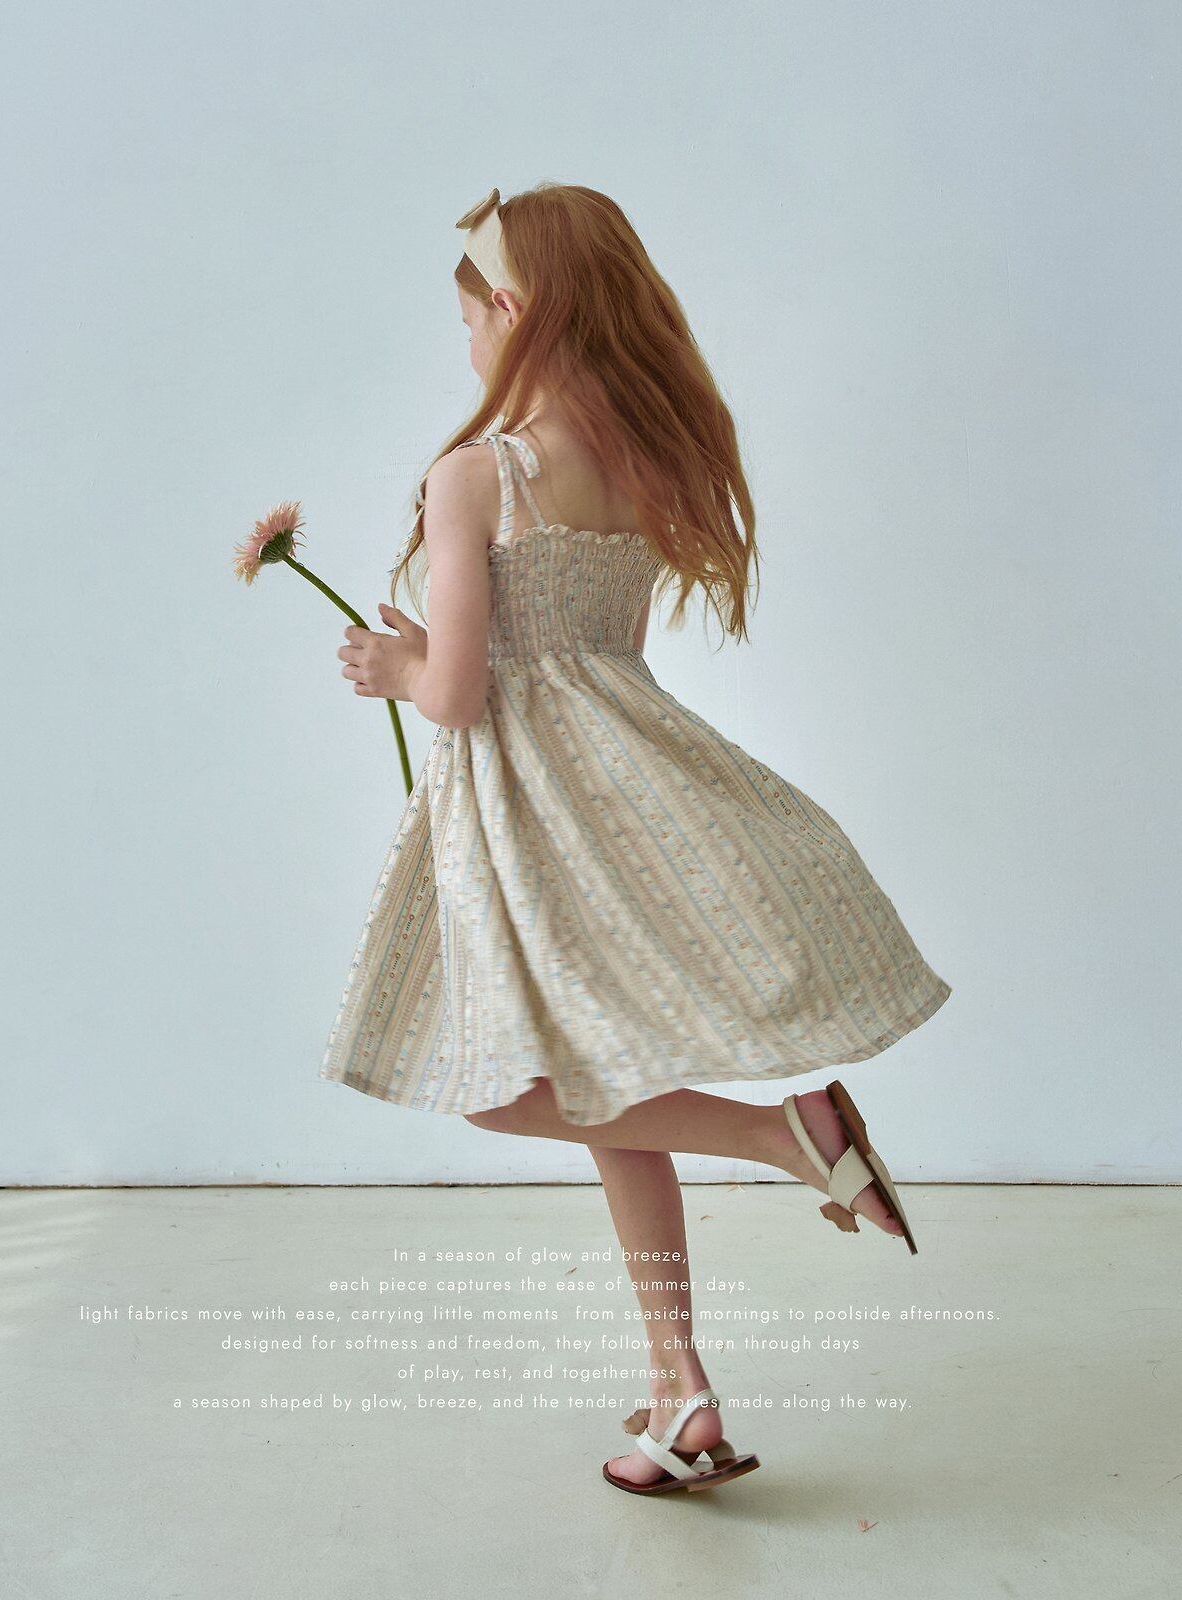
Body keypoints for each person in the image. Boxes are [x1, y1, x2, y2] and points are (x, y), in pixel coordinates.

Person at [320, 183, 952, 1495]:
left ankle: (789, 1143)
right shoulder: (633, 465)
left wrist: (397, 666)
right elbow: (581, 648)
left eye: (471, 320)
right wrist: (448, 654)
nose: (468, 346)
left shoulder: (474, 474)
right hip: (626, 783)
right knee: (610, 1090)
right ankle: (682, 1393)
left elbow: (461, 695)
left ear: (513, 310)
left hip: (533, 813)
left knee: (503, 1087)